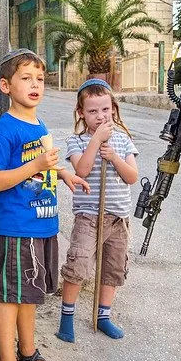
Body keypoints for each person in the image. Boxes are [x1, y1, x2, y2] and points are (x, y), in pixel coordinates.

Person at [0, 48, 89, 361]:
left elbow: (42, 163)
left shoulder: (38, 124)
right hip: (17, 229)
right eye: (26, 78)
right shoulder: (3, 129)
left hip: (43, 224)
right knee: (10, 297)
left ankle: (27, 353)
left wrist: (63, 174)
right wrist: (39, 163)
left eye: (40, 79)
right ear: (5, 85)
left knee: (30, 295)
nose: (35, 85)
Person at [55, 79, 139, 343]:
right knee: (78, 264)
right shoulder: (76, 141)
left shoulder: (123, 140)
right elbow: (82, 170)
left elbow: (132, 177)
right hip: (89, 216)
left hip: (118, 217)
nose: (100, 116)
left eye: (105, 109)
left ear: (113, 108)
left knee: (113, 268)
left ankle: (104, 316)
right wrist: (96, 142)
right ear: (81, 113)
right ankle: (66, 318)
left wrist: (114, 157)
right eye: (92, 111)